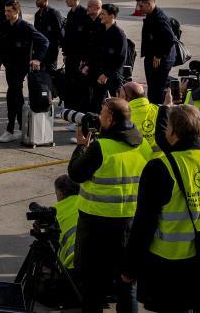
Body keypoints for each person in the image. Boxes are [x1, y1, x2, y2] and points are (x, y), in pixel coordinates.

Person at [123, 104, 200, 313]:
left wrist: (131, 267)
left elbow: (144, 222)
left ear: (172, 131)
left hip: (170, 266)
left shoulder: (161, 167)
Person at [68, 97, 149, 313]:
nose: (99, 117)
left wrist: (80, 147)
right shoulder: (143, 144)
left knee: (93, 287)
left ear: (110, 119)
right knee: (127, 285)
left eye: (102, 114)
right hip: (129, 224)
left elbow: (75, 174)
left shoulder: (101, 148)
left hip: (96, 225)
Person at [0, 0, 49, 143]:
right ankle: (19, 127)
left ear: (16, 12)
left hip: (21, 66)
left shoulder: (25, 26)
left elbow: (44, 41)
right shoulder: (5, 25)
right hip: (9, 66)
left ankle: (11, 129)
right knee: (16, 96)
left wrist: (37, 59)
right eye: (5, 11)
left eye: (9, 11)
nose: (6, 13)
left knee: (12, 95)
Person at [83, 4, 129, 109]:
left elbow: (121, 59)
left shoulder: (119, 35)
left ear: (111, 16)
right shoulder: (101, 31)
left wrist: (107, 74)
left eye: (103, 14)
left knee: (117, 104)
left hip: (112, 76)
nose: (100, 16)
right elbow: (94, 52)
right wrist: (89, 66)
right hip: (99, 74)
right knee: (96, 102)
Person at [137, 0, 177, 104]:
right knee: (153, 88)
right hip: (153, 58)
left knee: (157, 89)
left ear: (149, 4)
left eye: (141, 6)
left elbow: (170, 38)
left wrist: (159, 55)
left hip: (160, 60)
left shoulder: (159, 18)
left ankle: (157, 111)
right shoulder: (151, 15)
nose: (139, 9)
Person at [61, 0, 90, 110]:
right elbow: (67, 35)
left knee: (78, 82)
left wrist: (84, 58)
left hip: (79, 55)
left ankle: (77, 109)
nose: (66, 1)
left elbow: (85, 37)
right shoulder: (70, 14)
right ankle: (68, 107)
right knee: (69, 81)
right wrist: (65, 52)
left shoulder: (83, 14)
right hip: (70, 54)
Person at [33, 0, 63, 74]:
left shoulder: (54, 13)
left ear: (45, 0)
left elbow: (60, 33)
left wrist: (64, 51)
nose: (36, 1)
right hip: (40, 50)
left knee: (51, 73)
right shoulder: (37, 15)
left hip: (51, 51)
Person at [54, 174, 81, 270]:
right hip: (95, 260)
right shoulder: (86, 204)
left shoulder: (55, 211)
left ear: (61, 193)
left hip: (71, 265)